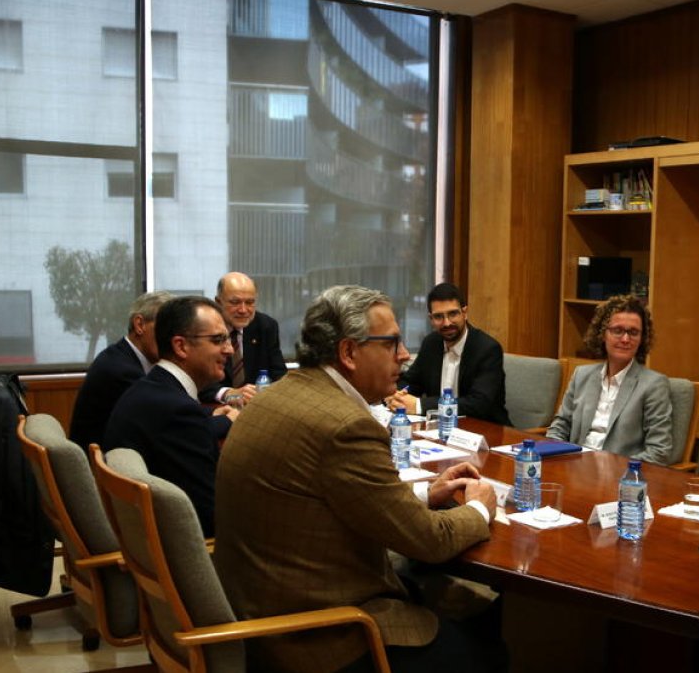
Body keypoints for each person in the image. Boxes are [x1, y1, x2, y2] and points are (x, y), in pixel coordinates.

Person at [215, 285, 503, 673]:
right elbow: (429, 541)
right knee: (490, 650)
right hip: (322, 635)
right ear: (349, 352)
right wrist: (478, 510)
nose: (404, 356)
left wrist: (423, 494)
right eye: (392, 344)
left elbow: (332, 494)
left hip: (260, 610)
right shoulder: (346, 425)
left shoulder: (277, 395)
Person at [104, 296, 239, 537]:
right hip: (186, 557)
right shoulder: (177, 412)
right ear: (180, 346)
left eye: (228, 339)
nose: (229, 349)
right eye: (218, 340)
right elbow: (210, 520)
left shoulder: (152, 389)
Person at [546, 294, 676, 464]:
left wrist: (613, 469)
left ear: (642, 339)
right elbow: (560, 426)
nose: (625, 339)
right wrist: (558, 458)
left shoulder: (654, 385)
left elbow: (659, 451)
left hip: (619, 476)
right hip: (573, 466)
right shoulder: (582, 375)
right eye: (618, 330)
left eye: (633, 332)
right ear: (603, 334)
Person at [385, 283, 511, 426]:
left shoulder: (487, 349)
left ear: (464, 313)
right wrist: (394, 395)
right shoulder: (431, 343)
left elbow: (479, 404)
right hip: (440, 430)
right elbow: (411, 382)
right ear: (431, 319)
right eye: (438, 316)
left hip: (487, 431)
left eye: (453, 314)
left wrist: (419, 405)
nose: (446, 323)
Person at [69, 290, 173, 449]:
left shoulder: (123, 355)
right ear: (140, 325)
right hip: (104, 466)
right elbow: (165, 422)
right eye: (166, 328)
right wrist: (223, 421)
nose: (172, 339)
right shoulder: (121, 371)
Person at [204, 271, 287, 405]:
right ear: (218, 302)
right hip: (215, 408)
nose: (243, 310)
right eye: (235, 302)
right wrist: (228, 394)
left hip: (256, 407)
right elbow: (196, 379)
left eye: (249, 302)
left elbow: (279, 375)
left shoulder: (266, 326)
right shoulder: (203, 328)